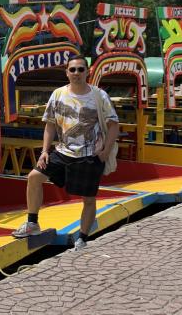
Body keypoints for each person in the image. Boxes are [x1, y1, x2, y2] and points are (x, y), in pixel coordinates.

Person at [12, 53, 119, 250]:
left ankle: (82, 238)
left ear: (88, 71)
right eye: (73, 69)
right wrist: (45, 151)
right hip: (62, 152)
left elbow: (114, 125)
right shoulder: (58, 94)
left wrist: (105, 152)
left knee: (88, 198)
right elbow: (50, 125)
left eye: (80, 69)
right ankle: (32, 223)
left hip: (89, 155)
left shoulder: (98, 95)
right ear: (67, 73)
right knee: (34, 177)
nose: (76, 73)